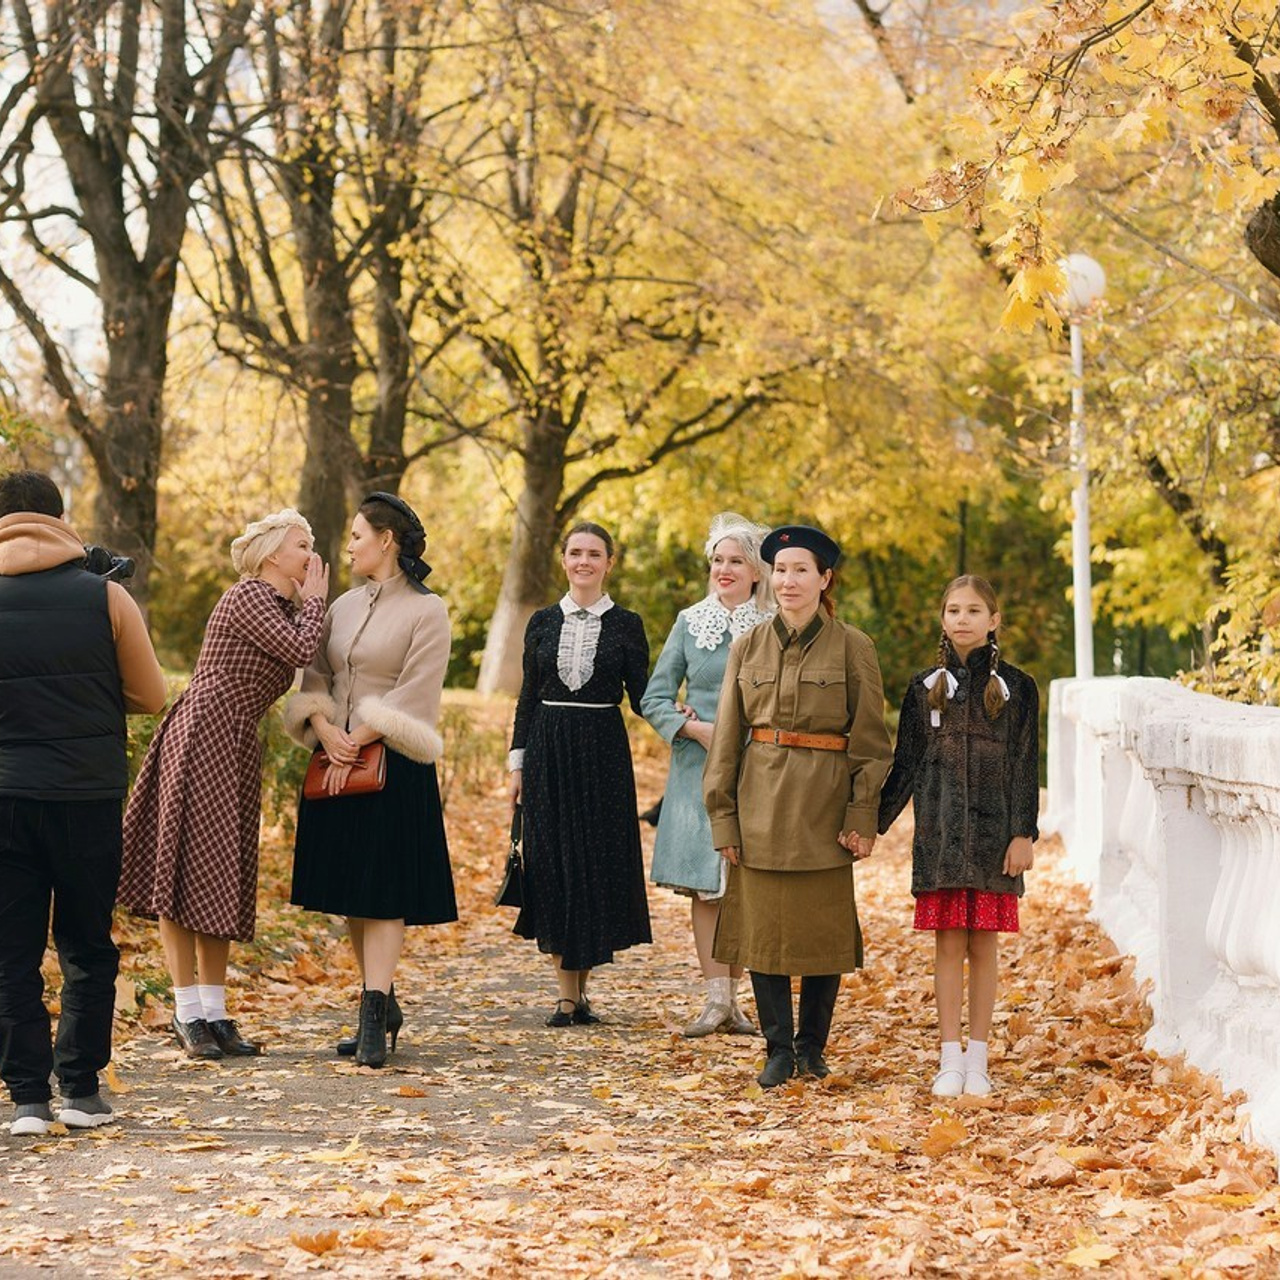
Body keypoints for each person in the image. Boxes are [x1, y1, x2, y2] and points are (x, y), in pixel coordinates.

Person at [119, 510, 329, 1061]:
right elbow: (301, 651)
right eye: (302, 545)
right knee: (184, 869)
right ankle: (186, 1013)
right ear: (270, 555)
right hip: (204, 730)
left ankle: (215, 1012)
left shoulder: (280, 605)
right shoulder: (250, 595)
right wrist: (315, 602)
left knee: (220, 874)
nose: (312, 555)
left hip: (235, 739)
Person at [0, 469, 166, 1135]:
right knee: (86, 946)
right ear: (60, 519)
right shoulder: (107, 597)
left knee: (9, 951)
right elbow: (151, 695)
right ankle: (81, 1091)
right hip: (88, 795)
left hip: (5, 794)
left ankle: (27, 1101)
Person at [704, 525, 893, 1088]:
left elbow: (871, 742)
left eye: (801, 570)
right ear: (771, 578)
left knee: (821, 935)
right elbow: (728, 738)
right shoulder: (748, 646)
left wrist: (863, 816)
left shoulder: (853, 646)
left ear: (824, 578)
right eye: (781, 570)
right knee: (761, 932)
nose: (790, 581)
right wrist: (723, 817)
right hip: (759, 805)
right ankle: (777, 1050)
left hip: (824, 809)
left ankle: (812, 1049)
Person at [285, 492, 456, 1067]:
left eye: (358, 535)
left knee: (383, 895)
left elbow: (417, 690)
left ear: (387, 540)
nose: (349, 544)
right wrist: (322, 726)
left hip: (393, 765)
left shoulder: (428, 611)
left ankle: (373, 1015)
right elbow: (316, 671)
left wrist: (360, 736)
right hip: (337, 760)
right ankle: (379, 1004)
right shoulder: (342, 606)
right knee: (355, 894)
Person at [877, 574, 1038, 1098]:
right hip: (941, 836)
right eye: (953, 610)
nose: (962, 619)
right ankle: (949, 1056)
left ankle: (979, 1059)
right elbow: (906, 764)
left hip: (995, 839)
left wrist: (1023, 833)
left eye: (973, 611)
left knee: (983, 945)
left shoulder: (1018, 686)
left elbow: (1023, 762)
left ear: (993, 620)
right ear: (942, 619)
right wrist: (871, 823)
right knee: (948, 943)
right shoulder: (924, 687)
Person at [508, 521, 651, 1026]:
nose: (584, 561)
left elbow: (643, 696)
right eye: (575, 552)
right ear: (564, 559)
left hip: (604, 751)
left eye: (594, 553)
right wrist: (517, 762)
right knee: (553, 861)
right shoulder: (542, 621)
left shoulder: (627, 624)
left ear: (609, 562)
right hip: (548, 746)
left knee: (593, 862)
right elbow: (527, 695)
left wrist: (688, 719)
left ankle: (580, 994)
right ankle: (565, 996)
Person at [641, 512, 774, 1037]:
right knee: (706, 887)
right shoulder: (688, 622)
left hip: (759, 768)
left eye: (736, 561)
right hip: (697, 769)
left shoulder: (773, 626)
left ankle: (739, 1001)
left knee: (742, 883)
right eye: (717, 560)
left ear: (756, 571)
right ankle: (715, 1000)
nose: (724, 569)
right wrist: (691, 730)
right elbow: (653, 697)